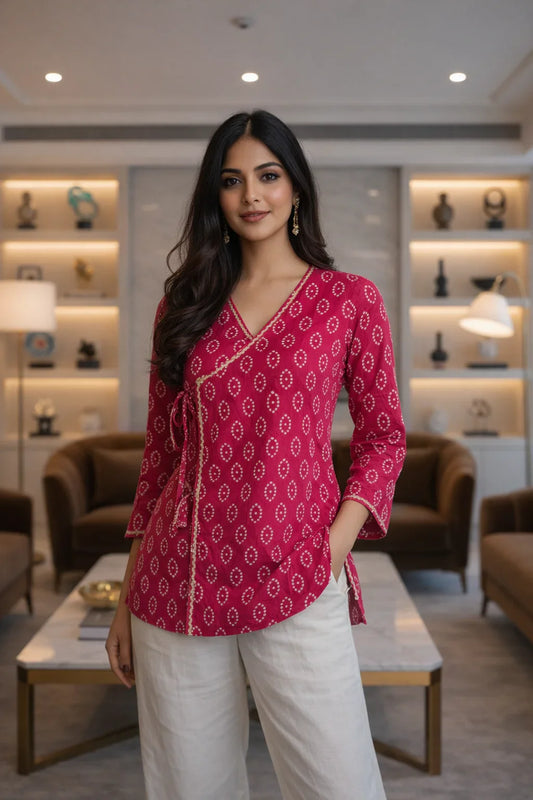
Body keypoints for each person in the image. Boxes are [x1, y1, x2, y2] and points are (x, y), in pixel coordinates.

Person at [106, 109, 406, 800]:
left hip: (297, 569)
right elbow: (161, 455)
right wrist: (127, 597)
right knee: (191, 787)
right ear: (214, 195)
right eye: (231, 180)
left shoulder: (347, 301)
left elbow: (383, 437)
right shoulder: (184, 304)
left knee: (337, 784)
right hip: (176, 578)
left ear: (296, 187)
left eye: (268, 176)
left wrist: (330, 549)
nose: (252, 196)